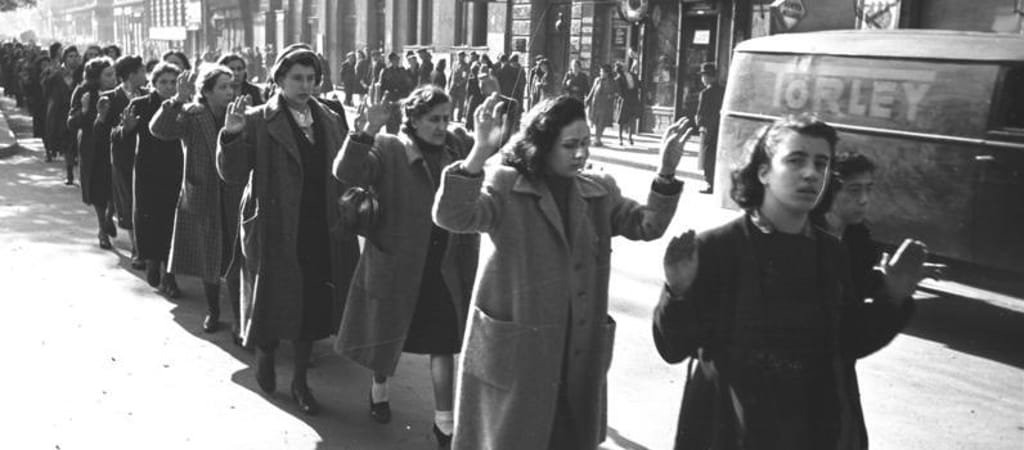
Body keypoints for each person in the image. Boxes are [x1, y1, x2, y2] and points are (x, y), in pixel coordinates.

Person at [652, 115, 929, 450]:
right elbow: (674, 348)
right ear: (764, 172)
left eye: (821, 163)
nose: (811, 173)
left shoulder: (830, 252)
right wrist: (677, 292)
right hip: (732, 433)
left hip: (811, 432)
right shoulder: (717, 248)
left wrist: (892, 299)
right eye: (796, 160)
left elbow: (846, 344)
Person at [433, 95, 688, 449]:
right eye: (570, 145)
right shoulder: (508, 185)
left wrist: (666, 172)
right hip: (520, 356)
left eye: (585, 142)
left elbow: (647, 224)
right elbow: (452, 216)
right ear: (543, 145)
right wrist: (478, 153)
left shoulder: (599, 191)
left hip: (576, 355)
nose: (581, 153)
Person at [333, 85, 480, 447]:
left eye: (446, 118)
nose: (442, 126)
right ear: (413, 119)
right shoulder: (389, 147)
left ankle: (444, 423)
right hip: (398, 262)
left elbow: (488, 152)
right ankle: (379, 389)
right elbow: (347, 173)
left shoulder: (456, 147)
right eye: (433, 119)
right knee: (387, 333)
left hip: (443, 263)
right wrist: (367, 129)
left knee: (443, 342)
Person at [217, 45, 359, 416]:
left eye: (311, 78)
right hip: (274, 224)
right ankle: (265, 352)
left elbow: (345, 170)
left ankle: (299, 382)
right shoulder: (257, 119)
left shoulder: (329, 118)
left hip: (318, 222)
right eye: (297, 78)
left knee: (311, 303)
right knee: (271, 298)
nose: (305, 85)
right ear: (279, 79)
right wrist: (231, 136)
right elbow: (232, 174)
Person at [149, 65, 243, 336]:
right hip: (203, 194)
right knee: (208, 256)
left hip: (234, 194)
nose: (229, 92)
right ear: (207, 91)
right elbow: (159, 129)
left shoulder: (239, 114)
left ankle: (239, 318)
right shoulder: (193, 114)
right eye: (222, 87)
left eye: (231, 86)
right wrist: (177, 99)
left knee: (236, 257)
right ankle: (213, 310)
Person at [123, 62, 185, 297]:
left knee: (172, 220)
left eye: (173, 82)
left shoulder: (185, 106)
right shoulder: (140, 104)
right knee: (148, 219)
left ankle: (170, 275)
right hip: (147, 171)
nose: (168, 87)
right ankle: (151, 260)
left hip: (175, 169)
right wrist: (127, 129)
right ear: (154, 83)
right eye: (163, 82)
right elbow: (118, 137)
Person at [100, 55, 149, 268]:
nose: (145, 74)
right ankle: (137, 249)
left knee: (143, 203)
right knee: (128, 203)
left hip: (146, 157)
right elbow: (105, 131)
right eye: (142, 71)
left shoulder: (148, 96)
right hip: (122, 159)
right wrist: (124, 129)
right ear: (131, 75)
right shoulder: (110, 99)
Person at [68, 55, 118, 249]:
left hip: (114, 143)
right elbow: (72, 122)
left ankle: (109, 216)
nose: (113, 78)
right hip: (93, 146)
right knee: (98, 189)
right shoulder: (83, 91)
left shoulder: (119, 93)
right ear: (97, 77)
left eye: (113, 74)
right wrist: (84, 110)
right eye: (108, 75)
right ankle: (102, 229)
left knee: (115, 187)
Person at [45, 46, 80, 181]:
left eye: (75, 56)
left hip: (78, 112)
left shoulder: (82, 74)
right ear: (64, 58)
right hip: (62, 113)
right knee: (67, 143)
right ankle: (69, 171)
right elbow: (47, 89)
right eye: (70, 56)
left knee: (77, 142)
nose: (73, 59)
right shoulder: (57, 75)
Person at [695, 62, 724, 194]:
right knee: (718, 155)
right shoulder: (723, 91)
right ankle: (717, 182)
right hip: (720, 127)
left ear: (707, 77)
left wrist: (700, 124)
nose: (702, 78)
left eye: (703, 76)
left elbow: (701, 112)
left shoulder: (705, 93)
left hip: (708, 128)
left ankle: (709, 182)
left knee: (707, 156)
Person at [585, 64, 617, 147]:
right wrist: (587, 99)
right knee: (595, 121)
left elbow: (616, 93)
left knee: (601, 122)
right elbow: (592, 90)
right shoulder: (597, 80)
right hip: (595, 103)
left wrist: (611, 96)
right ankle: (597, 138)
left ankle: (597, 139)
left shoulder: (612, 82)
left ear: (607, 73)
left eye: (602, 71)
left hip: (605, 105)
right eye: (600, 71)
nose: (600, 73)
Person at [614, 61, 641, 146]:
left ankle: (630, 137)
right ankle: (620, 137)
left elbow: (638, 84)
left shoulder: (632, 75)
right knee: (622, 119)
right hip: (624, 99)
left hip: (633, 98)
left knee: (631, 118)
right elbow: (618, 90)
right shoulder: (619, 78)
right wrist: (623, 97)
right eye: (623, 66)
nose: (625, 66)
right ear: (621, 68)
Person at [448, 51, 469, 122]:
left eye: (462, 56)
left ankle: (459, 117)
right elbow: (452, 74)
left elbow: (465, 77)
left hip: (461, 87)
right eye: (459, 56)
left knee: (460, 103)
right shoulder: (455, 64)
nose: (460, 57)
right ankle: (451, 117)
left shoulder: (466, 66)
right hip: (453, 86)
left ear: (464, 57)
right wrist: (449, 84)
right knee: (452, 102)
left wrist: (459, 83)